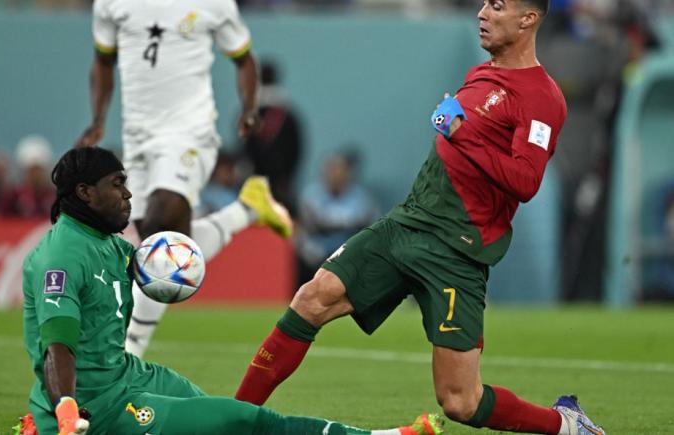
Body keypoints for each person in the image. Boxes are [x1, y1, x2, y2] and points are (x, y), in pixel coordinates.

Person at [234, 1, 606, 434]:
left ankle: (565, 426)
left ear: (528, 18)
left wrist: (461, 131)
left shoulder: (542, 97)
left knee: (460, 402)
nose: (483, 13)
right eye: (484, 3)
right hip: (407, 224)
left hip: (457, 250)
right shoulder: (481, 73)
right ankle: (231, 417)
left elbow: (525, 180)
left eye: (498, 6)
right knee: (313, 298)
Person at [16, 146, 443, 435]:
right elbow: (58, 347)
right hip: (100, 406)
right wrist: (67, 409)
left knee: (223, 420)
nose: (129, 194)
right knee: (242, 420)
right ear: (85, 193)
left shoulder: (109, 243)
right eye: (117, 184)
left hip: (128, 376)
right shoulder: (63, 257)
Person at [76, 0, 293, 357]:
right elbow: (102, 60)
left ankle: (129, 353)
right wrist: (98, 119)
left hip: (189, 130)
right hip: (138, 134)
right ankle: (247, 209)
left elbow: (244, 59)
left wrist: (250, 108)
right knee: (157, 242)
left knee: (161, 224)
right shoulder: (111, 4)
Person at [295, 149, 379, 285]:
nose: (335, 174)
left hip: (351, 253)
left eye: (340, 169)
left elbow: (369, 229)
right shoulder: (311, 197)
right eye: (331, 169)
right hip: (319, 253)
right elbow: (305, 229)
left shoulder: (362, 199)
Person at [242, 60, 303, 212]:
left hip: (254, 183)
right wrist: (287, 177)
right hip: (282, 183)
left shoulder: (248, 114)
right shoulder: (289, 116)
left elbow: (244, 147)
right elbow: (296, 148)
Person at [0, 135, 55, 219]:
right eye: (32, 170)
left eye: (38, 170)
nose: (36, 175)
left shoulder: (55, 197)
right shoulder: (12, 197)